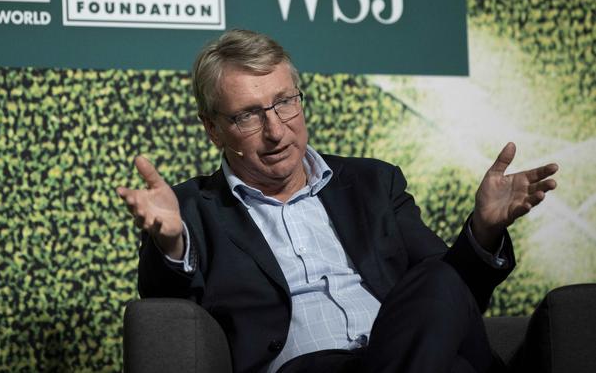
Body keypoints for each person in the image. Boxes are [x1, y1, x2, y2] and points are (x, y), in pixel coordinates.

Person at [116, 29, 558, 373]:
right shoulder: (192, 209)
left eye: (285, 102)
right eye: (249, 115)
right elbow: (168, 307)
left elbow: (455, 298)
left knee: (439, 280)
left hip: (408, 351)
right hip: (311, 367)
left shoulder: (373, 183)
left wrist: (483, 230)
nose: (276, 130)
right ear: (213, 129)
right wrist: (171, 244)